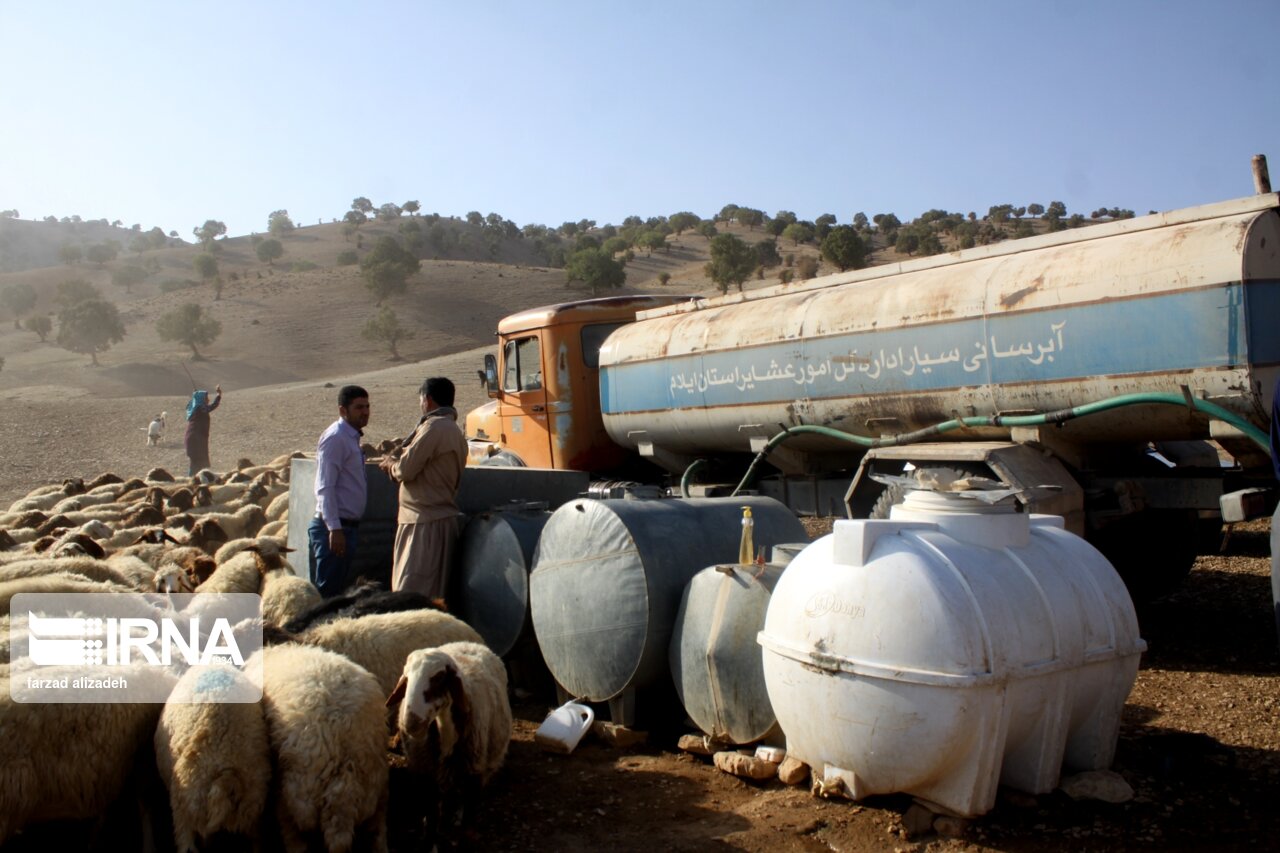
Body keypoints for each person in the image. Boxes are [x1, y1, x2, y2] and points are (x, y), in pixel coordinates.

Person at [380, 376, 467, 599]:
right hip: (440, 520)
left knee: (411, 593)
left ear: (427, 400)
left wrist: (391, 465)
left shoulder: (433, 428)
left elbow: (405, 470)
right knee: (434, 593)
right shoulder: (454, 430)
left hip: (423, 524)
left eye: (421, 399)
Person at [310, 385, 371, 598]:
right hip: (335, 530)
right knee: (328, 594)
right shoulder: (336, 438)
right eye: (358, 407)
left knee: (336, 592)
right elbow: (325, 486)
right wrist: (334, 529)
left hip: (346, 528)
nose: (365, 412)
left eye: (367, 406)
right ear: (342, 411)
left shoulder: (351, 438)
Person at [184, 386, 222, 475]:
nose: (208, 400)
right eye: (206, 398)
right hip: (196, 440)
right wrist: (219, 395)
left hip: (195, 438)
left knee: (197, 462)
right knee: (198, 462)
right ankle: (192, 480)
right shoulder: (200, 408)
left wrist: (195, 396)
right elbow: (212, 406)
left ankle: (193, 479)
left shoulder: (193, 408)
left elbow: (189, 404)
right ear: (201, 399)